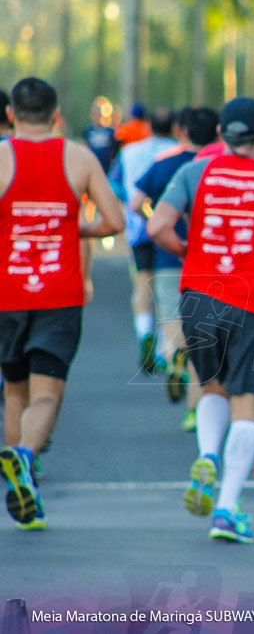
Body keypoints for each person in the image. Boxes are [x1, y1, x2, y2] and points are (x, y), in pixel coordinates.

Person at [148, 97, 254, 543]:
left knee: (213, 387)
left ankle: (208, 453)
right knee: (248, 401)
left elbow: (156, 227)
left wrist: (189, 252)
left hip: (199, 295)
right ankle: (226, 510)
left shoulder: (194, 172)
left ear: (222, 133)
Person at [0, 77, 125, 531]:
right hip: (58, 294)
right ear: (55, 115)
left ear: (13, 114)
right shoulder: (78, 157)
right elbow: (115, 220)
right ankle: (25, 460)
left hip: (6, 294)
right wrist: (76, 229)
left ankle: (19, 484)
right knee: (47, 394)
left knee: (15, 391)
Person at [131, 106, 219, 425]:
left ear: (182, 131)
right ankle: (194, 411)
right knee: (202, 333)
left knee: (171, 318)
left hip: (169, 254)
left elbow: (134, 201)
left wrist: (157, 220)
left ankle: (172, 359)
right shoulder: (217, 167)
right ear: (219, 133)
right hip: (208, 258)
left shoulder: (166, 163)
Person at [120, 106, 178, 375]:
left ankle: (145, 332)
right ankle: (166, 348)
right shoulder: (178, 154)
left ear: (148, 126)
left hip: (139, 229)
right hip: (173, 229)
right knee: (167, 291)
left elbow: (117, 187)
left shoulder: (129, 152)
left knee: (142, 285)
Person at [83, 96, 118, 175]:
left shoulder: (110, 131)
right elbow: (84, 146)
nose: (97, 116)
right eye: (95, 114)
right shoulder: (88, 131)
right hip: (92, 166)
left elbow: (115, 150)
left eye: (99, 114)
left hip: (107, 168)